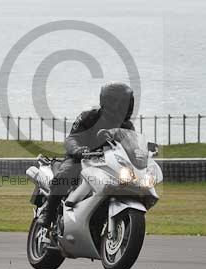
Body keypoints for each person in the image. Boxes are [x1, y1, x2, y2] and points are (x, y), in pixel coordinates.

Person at [36, 82, 135, 228]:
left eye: (128, 102)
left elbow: (130, 146)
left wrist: (141, 151)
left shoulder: (126, 126)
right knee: (66, 174)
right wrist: (78, 150)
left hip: (107, 163)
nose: (126, 106)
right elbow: (72, 138)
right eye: (123, 103)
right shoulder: (90, 117)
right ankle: (48, 214)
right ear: (111, 102)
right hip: (81, 158)